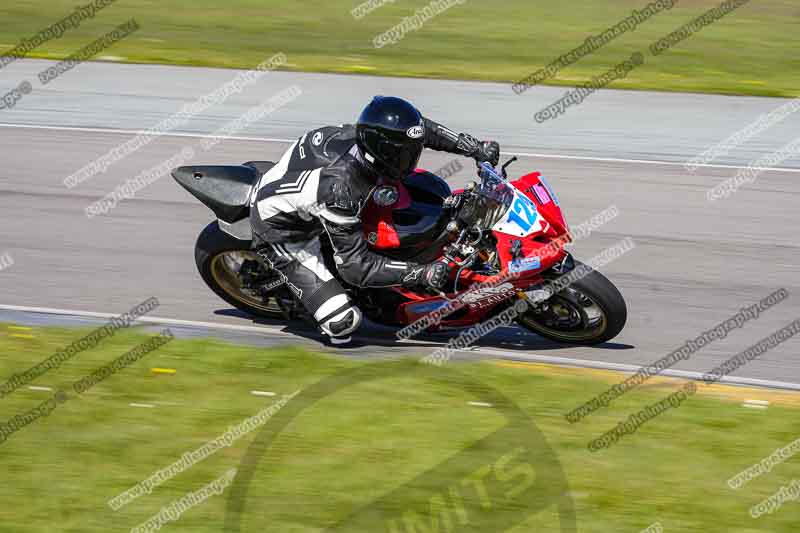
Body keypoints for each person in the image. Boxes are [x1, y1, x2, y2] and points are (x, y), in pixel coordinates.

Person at [250, 96, 500, 345]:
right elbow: (355, 267)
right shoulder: (341, 190)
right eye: (403, 154)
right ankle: (313, 302)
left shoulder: (369, 136)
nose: (412, 157)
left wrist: (473, 147)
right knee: (343, 322)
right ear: (380, 152)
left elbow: (420, 129)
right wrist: (422, 274)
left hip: (306, 190)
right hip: (287, 234)